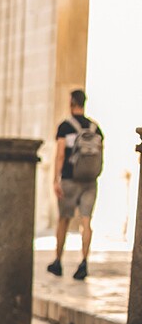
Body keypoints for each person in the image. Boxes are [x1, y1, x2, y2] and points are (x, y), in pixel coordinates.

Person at [50, 89, 101, 280]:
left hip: (70, 179)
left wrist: (56, 179)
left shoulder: (65, 127)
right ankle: (84, 262)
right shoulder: (95, 128)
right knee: (86, 221)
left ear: (72, 103)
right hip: (90, 181)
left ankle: (58, 262)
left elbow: (61, 154)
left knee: (63, 219)